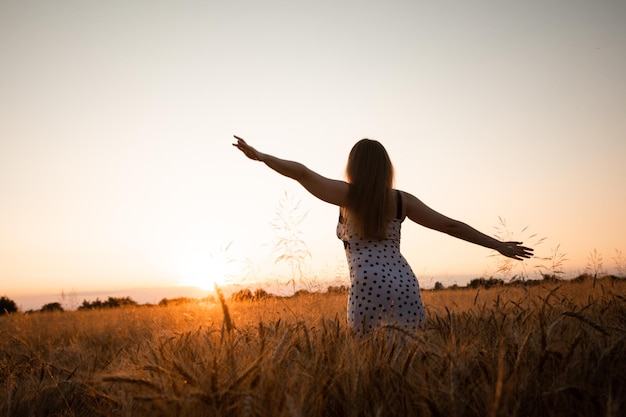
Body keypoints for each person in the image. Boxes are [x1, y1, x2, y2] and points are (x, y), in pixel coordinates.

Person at [233, 135, 533, 333]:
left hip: (367, 285)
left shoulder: (348, 195)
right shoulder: (402, 200)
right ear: (386, 168)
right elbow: (450, 225)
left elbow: (303, 173)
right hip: (405, 284)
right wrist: (496, 245)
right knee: (408, 356)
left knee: (367, 361)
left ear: (353, 166)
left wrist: (262, 156)